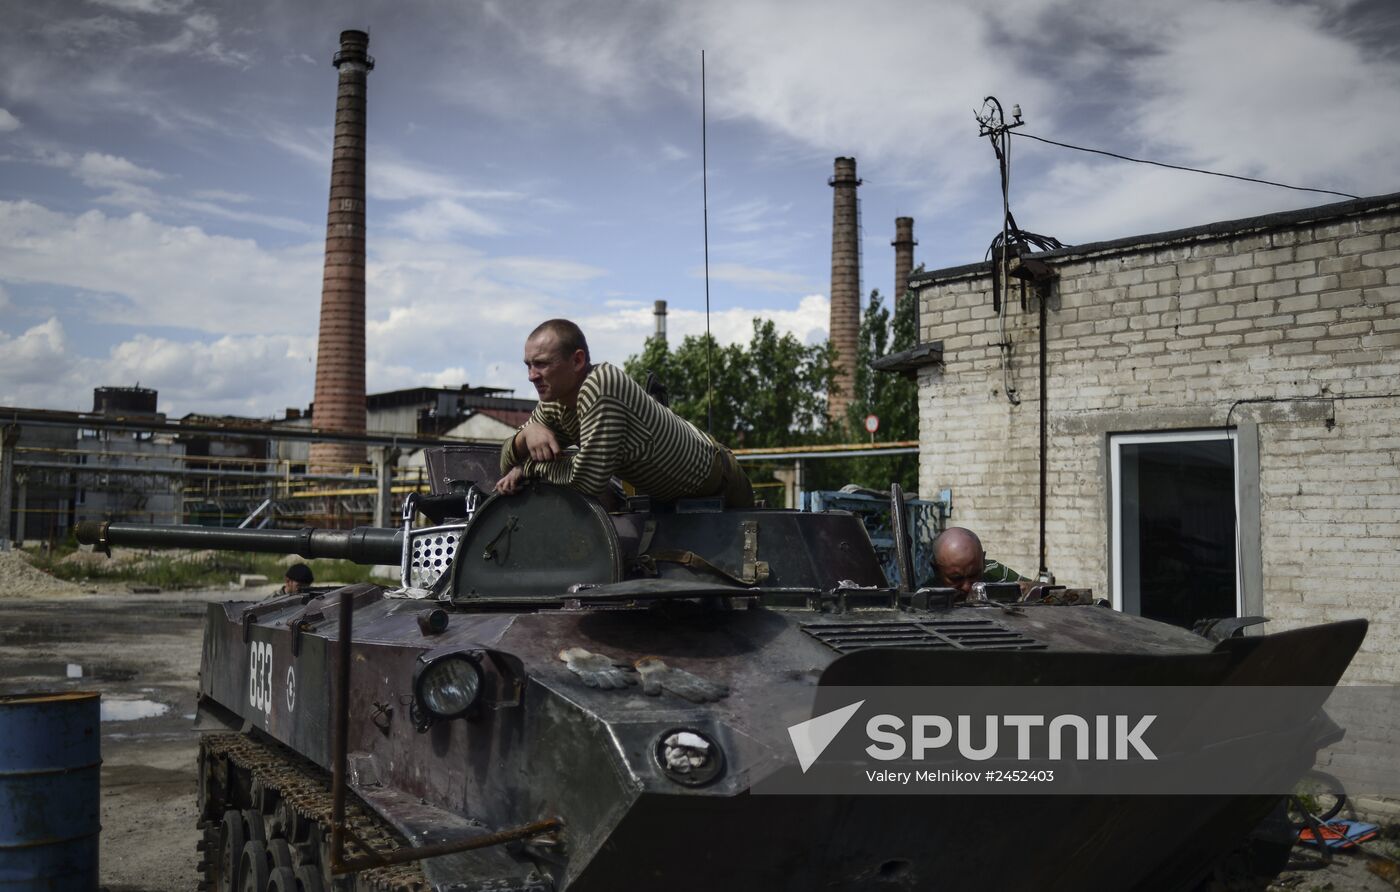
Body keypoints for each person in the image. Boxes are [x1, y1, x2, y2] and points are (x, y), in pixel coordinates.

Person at [494, 319, 753, 508]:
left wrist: (528, 468)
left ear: (577, 361)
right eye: (528, 365)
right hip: (666, 502)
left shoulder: (601, 385)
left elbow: (588, 480)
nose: (531, 376)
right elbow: (505, 464)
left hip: (719, 484)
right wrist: (525, 436)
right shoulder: (553, 403)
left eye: (541, 364)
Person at [929, 527, 1027, 599]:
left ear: (983, 561)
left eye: (974, 576)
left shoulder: (994, 573)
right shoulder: (926, 595)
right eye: (956, 579)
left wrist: (1024, 590)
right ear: (936, 570)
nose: (967, 587)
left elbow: (1036, 588)